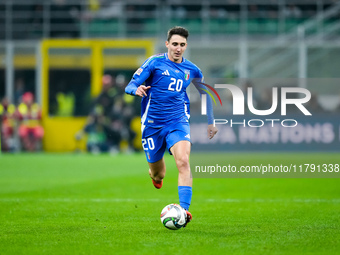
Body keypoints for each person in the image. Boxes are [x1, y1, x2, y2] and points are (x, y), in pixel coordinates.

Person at [125, 26, 218, 227]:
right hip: (152, 125)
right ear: (167, 44)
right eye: (174, 44)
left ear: (186, 46)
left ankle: (184, 211)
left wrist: (211, 122)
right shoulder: (154, 63)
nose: (178, 48)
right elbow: (129, 85)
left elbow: (206, 94)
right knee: (159, 174)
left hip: (177, 122)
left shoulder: (192, 70)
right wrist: (136, 89)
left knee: (183, 161)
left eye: (182, 45)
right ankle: (155, 176)